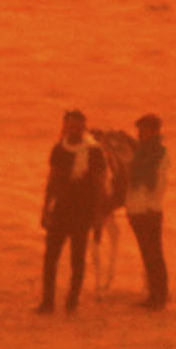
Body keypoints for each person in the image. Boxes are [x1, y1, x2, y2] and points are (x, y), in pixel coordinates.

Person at [39, 109, 104, 313]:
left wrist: (98, 214)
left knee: (77, 258)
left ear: (84, 127)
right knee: (50, 258)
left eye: (77, 126)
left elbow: (99, 184)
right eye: (70, 126)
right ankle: (48, 301)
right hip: (61, 210)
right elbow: (52, 180)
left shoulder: (94, 151)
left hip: (83, 211)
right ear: (64, 127)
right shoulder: (59, 149)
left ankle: (72, 301)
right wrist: (45, 208)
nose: (73, 130)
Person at [122, 114, 168, 308]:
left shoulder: (160, 154)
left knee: (154, 255)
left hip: (149, 211)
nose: (140, 133)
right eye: (139, 130)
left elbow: (159, 184)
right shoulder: (139, 153)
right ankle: (154, 296)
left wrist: (150, 207)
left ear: (154, 131)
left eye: (144, 130)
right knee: (147, 256)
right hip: (137, 211)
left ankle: (160, 297)